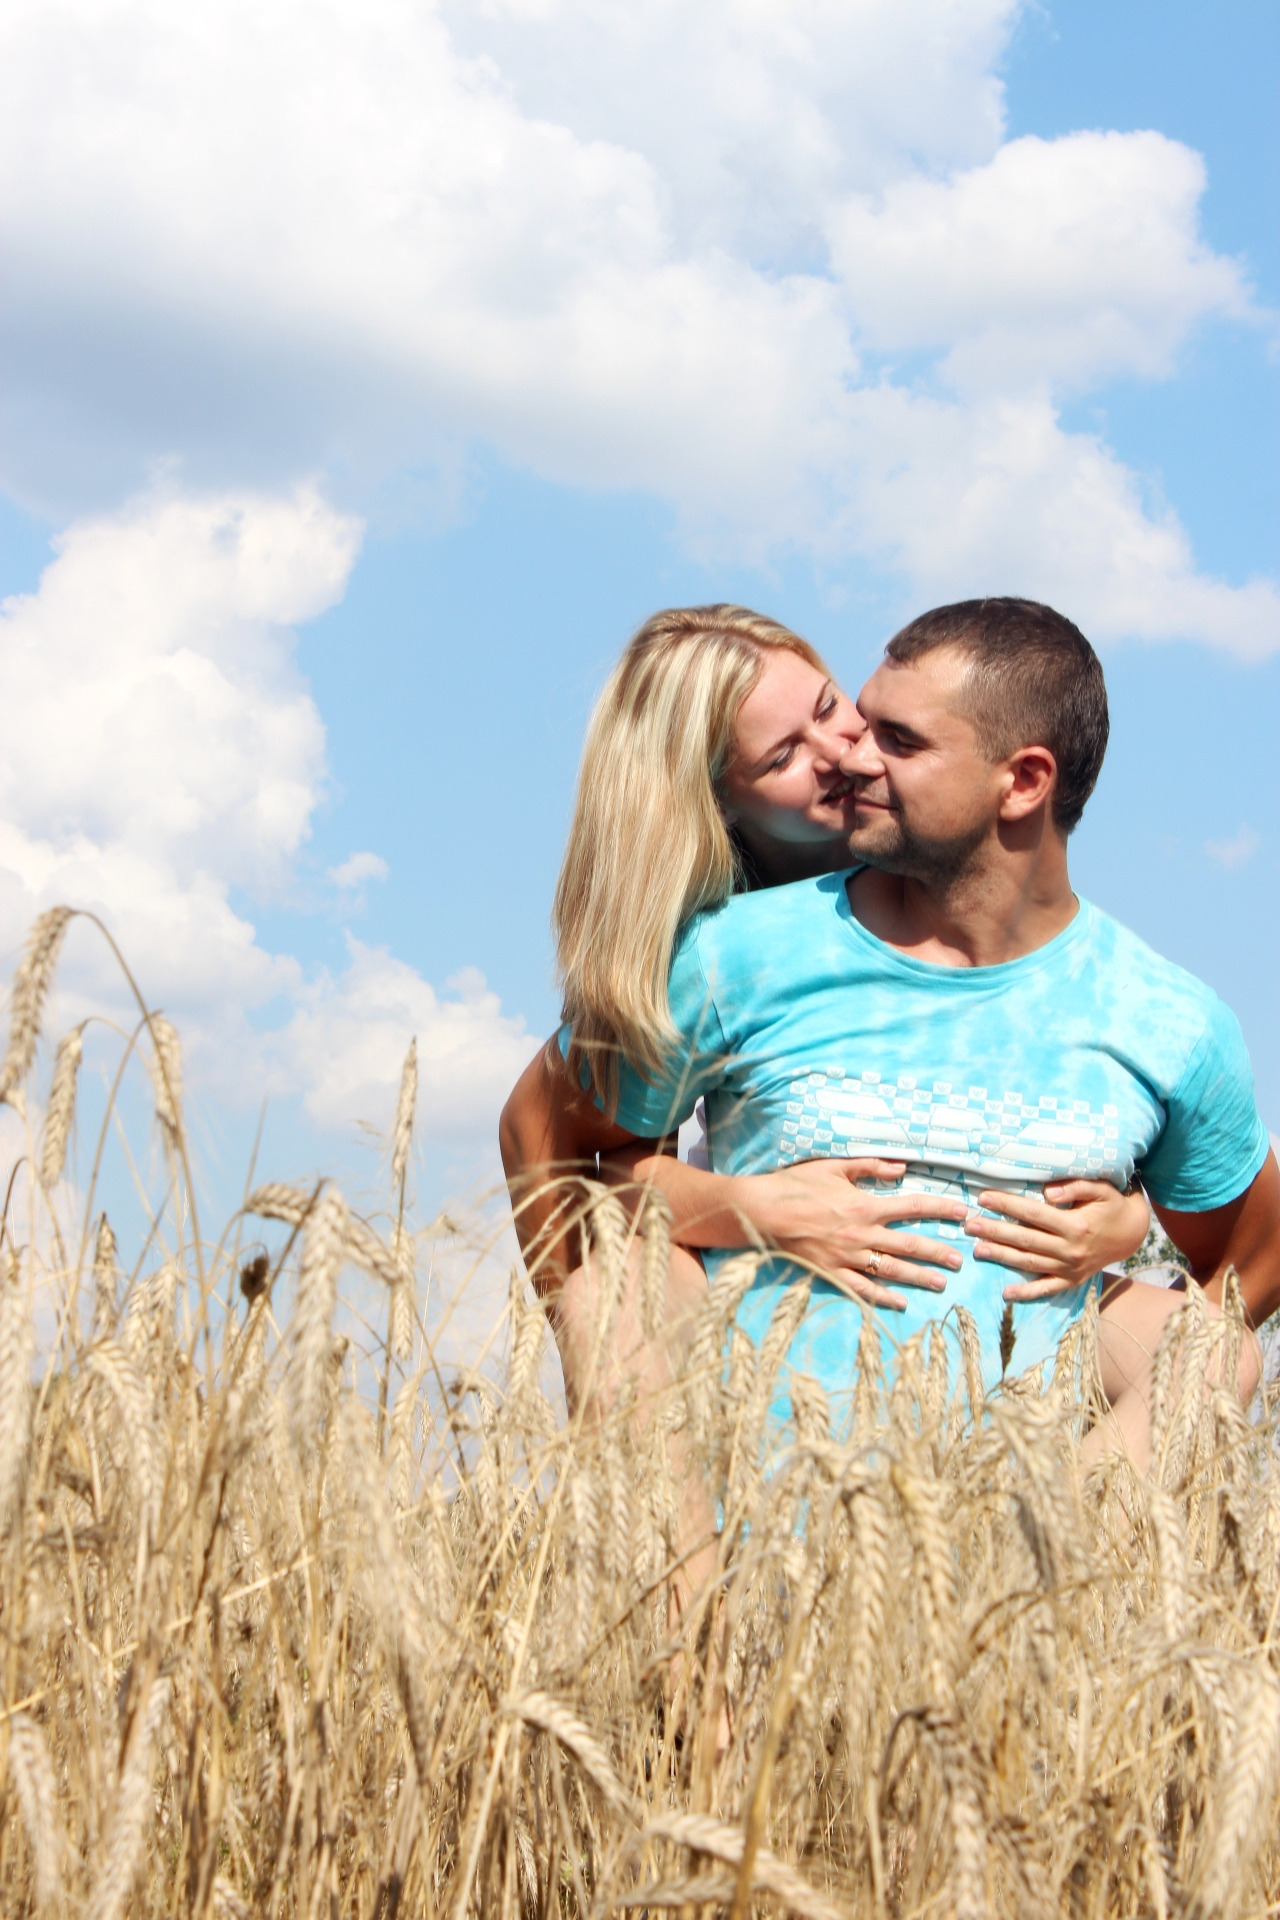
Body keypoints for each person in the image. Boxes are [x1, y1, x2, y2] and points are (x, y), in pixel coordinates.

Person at [502, 603, 1183, 1455]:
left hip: (948, 1299)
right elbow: (549, 1136)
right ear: (714, 801)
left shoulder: (938, 857)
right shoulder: (718, 948)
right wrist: (613, 1373)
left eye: (829, 708)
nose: (845, 755)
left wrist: (1127, 1214)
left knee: (1199, 1349)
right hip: (757, 1268)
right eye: (784, 756)